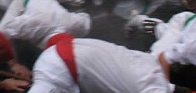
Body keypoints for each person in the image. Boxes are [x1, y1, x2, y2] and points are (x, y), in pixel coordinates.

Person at [0, 0, 91, 79]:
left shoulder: (76, 24)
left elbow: (85, 17)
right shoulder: (32, 26)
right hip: (24, 1)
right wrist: (14, 64)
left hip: (50, 9)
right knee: (4, 35)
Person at [28, 38, 177, 93]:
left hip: (63, 53)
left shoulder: (151, 63)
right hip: (61, 67)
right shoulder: (154, 88)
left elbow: (163, 57)